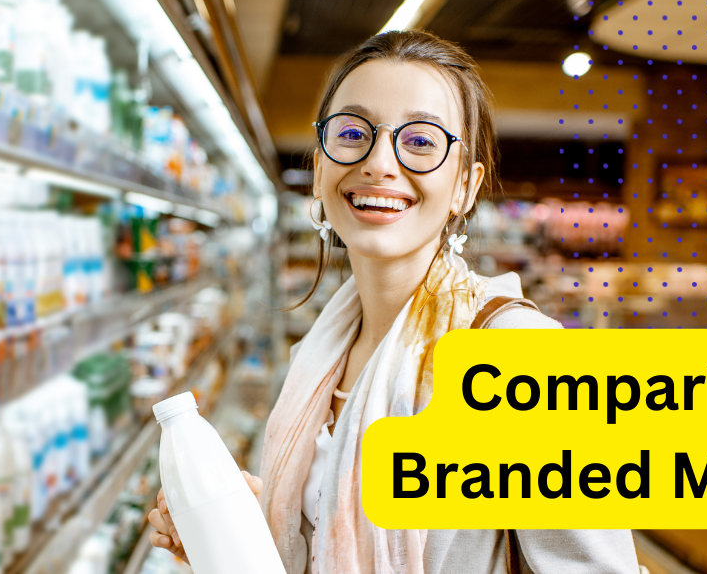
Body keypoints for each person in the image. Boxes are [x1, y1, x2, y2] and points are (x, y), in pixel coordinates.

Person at [148, 30, 641, 573]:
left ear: (465, 187)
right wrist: (238, 533)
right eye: (354, 132)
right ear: (319, 169)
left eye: (422, 141)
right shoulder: (319, 353)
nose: (379, 162)